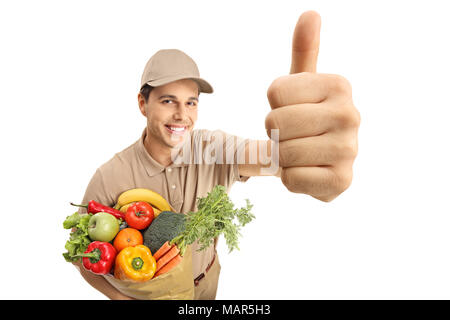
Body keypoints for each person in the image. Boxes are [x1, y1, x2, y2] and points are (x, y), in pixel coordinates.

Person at [72, 11, 361, 300]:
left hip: (206, 284)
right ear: (142, 104)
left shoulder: (212, 148)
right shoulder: (111, 174)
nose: (182, 115)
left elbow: (273, 157)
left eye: (191, 102)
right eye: (168, 100)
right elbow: (78, 250)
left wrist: (306, 146)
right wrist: (120, 299)